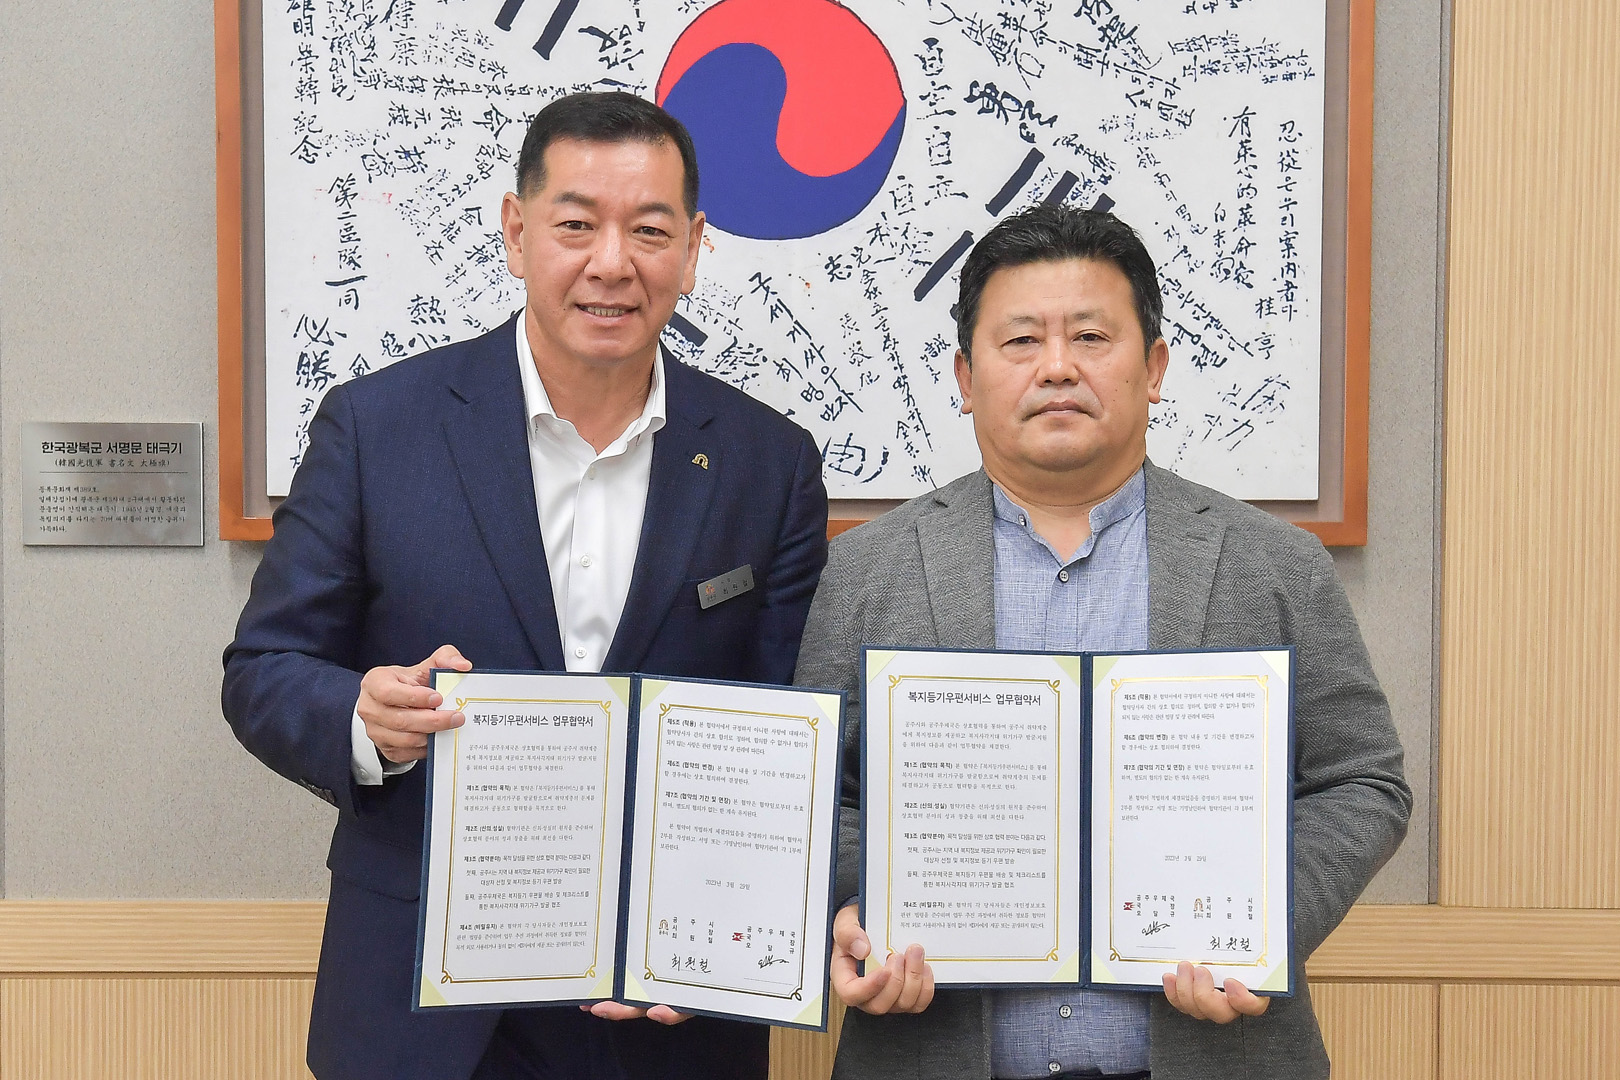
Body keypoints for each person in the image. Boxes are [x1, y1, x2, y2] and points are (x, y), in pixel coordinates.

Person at [223, 92, 828, 1080]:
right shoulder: (377, 428)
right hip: (423, 1005)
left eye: (650, 231)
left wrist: (731, 929)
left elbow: (788, 723)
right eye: (576, 225)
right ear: (516, 232)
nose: (612, 263)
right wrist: (362, 716)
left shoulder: (770, 462)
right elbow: (263, 669)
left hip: (668, 1003)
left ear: (693, 249)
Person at [793, 204, 1410, 1080]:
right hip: (933, 1050)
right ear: (966, 376)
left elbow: (1362, 780)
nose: (1058, 366)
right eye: (1021, 341)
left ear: (1153, 367)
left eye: (1090, 336)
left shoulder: (1273, 563)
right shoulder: (869, 569)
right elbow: (820, 794)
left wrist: (1265, 928)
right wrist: (870, 904)